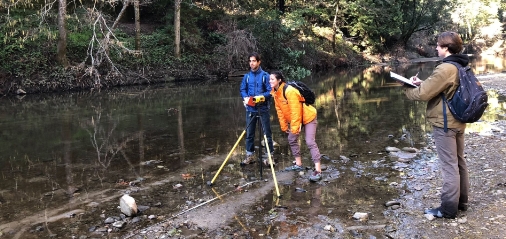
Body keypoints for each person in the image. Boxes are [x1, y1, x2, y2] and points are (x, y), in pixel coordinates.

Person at [403, 31, 469, 219]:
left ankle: (448, 209)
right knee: (459, 162)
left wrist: (408, 88)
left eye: (439, 45)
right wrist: (422, 83)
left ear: (446, 48)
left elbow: (424, 94)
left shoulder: (445, 68)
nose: (436, 48)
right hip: (458, 120)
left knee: (449, 166)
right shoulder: (459, 64)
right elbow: (443, 89)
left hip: (445, 124)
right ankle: (462, 202)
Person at [269, 71, 322, 182]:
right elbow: (279, 111)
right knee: (292, 138)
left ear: (279, 80)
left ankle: (318, 170)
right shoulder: (275, 93)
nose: (270, 81)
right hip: (297, 120)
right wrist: (284, 126)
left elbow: (295, 111)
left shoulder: (289, 91)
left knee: (309, 141)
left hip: (308, 117)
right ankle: (298, 164)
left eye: (272, 79)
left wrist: (294, 128)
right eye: (269, 79)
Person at [239, 52, 274, 165]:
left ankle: (269, 157)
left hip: (263, 109)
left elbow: (271, 91)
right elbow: (243, 89)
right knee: (249, 134)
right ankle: (250, 156)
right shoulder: (247, 76)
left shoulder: (265, 76)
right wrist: (245, 98)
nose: (251, 63)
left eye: (254, 61)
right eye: (250, 61)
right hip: (250, 110)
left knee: (267, 134)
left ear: (259, 62)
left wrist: (261, 97)